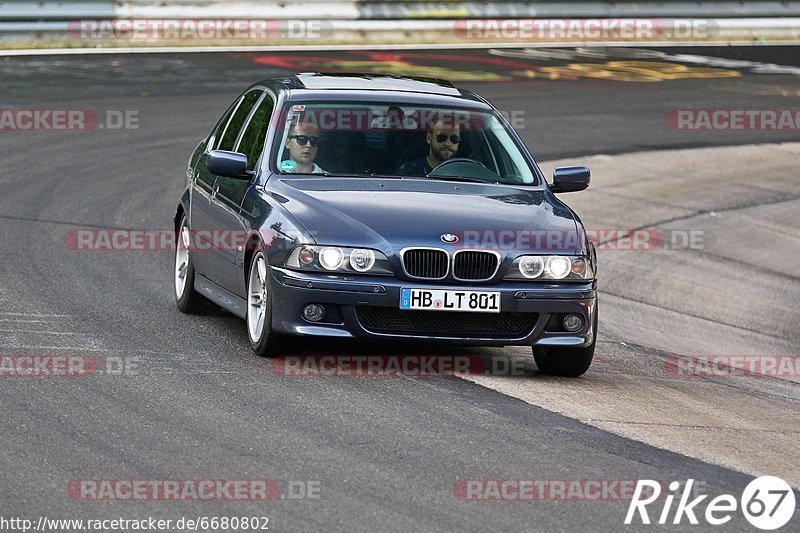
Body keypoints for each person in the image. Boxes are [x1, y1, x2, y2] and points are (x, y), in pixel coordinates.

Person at [396, 118, 461, 176]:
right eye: (441, 137)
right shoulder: (409, 171)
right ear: (429, 138)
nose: (448, 143)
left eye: (454, 139)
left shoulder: (465, 173)